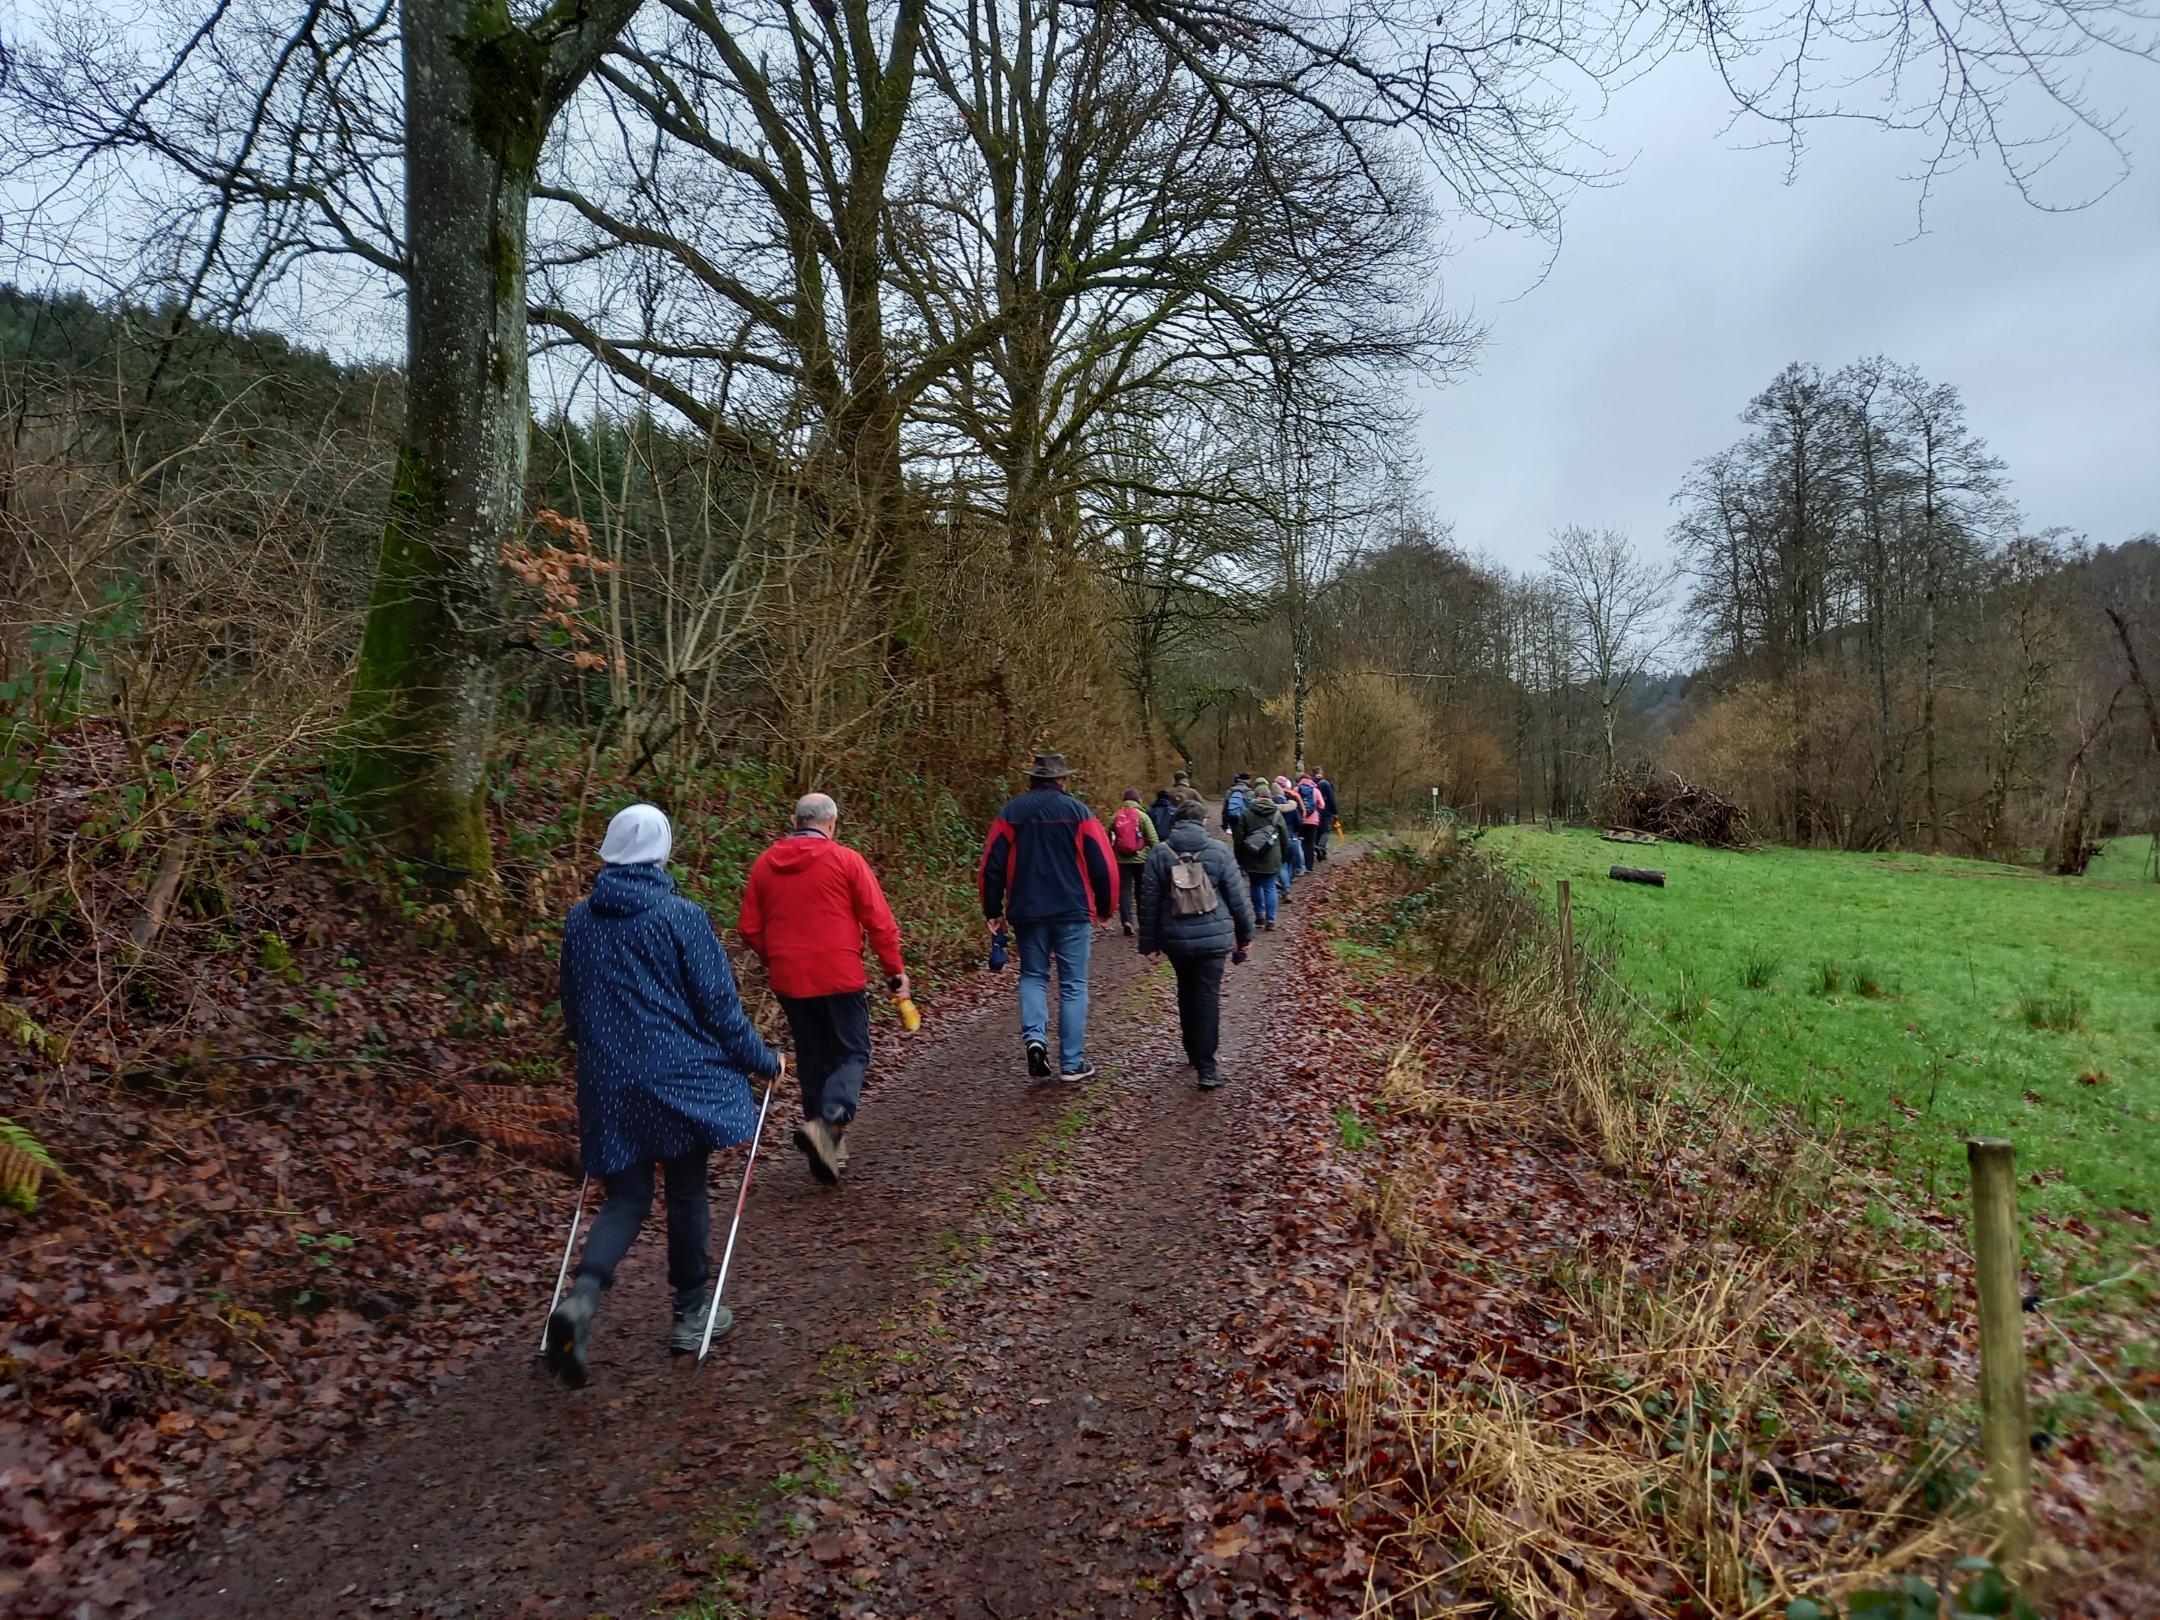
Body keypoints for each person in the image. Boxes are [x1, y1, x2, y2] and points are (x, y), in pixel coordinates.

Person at [548, 804, 785, 1386]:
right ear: (661, 851)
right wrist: (763, 1060)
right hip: (680, 1080)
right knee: (685, 1191)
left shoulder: (580, 921)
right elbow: (720, 1008)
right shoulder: (681, 916)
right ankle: (690, 1313)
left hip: (609, 1081)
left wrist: (601, 1053)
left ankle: (581, 1299)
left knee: (625, 1198)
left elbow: (574, 1011)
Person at [737, 792, 906, 1186]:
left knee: (813, 1058)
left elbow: (748, 928)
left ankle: (825, 1152)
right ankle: (828, 1123)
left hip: (790, 978)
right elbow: (880, 922)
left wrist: (775, 957)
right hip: (839, 973)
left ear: (795, 821)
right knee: (852, 1052)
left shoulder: (765, 865)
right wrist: (894, 972)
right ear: (831, 823)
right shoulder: (846, 860)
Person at [980, 751, 1118, 1081]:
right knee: (1073, 985)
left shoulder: (1011, 813)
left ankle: (1035, 1040)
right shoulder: (1078, 812)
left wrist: (993, 910)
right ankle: (1071, 1063)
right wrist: (1105, 908)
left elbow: (991, 866)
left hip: (1027, 911)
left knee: (1032, 976)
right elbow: (1104, 865)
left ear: (1032, 780)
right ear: (1062, 780)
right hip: (1072, 911)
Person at [1137, 790, 1255, 1089]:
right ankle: (1207, 1067)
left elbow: (1148, 902)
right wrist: (1245, 935)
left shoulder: (1160, 854)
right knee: (1207, 997)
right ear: (1203, 821)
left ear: (1176, 822)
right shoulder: (1219, 851)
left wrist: (1148, 944)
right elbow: (1237, 898)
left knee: (1186, 991)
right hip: (1213, 939)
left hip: (1176, 939)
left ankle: (1193, 1050)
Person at [1231, 780, 1290, 930]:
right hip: (1272, 857)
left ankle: (1260, 916)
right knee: (1270, 887)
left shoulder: (1246, 814)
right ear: (1269, 796)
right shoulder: (1277, 814)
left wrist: (1239, 858)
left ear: (1255, 796)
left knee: (1255, 885)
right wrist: (1283, 855)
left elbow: (1238, 839)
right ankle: (1271, 920)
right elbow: (1284, 838)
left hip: (1252, 856)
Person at [1108, 787, 1161, 936]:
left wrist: (1113, 853)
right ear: (1138, 800)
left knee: (1124, 890)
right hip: (1141, 859)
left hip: (1121, 860)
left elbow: (1105, 837)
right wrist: (1156, 856)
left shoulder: (1115, 816)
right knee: (1141, 891)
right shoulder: (1143, 816)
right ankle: (1142, 921)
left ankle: (1126, 920)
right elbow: (1153, 839)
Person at [1272, 776, 1305, 903]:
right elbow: (1300, 823)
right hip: (1292, 838)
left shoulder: (1271, 809)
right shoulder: (1292, 807)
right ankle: (1287, 885)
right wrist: (1298, 833)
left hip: (1279, 840)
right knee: (1290, 864)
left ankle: (1285, 889)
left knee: (1281, 865)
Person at [1294, 772, 1324, 868]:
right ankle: (1309, 866)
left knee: (1302, 842)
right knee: (1310, 843)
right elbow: (1322, 805)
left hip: (1300, 820)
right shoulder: (1315, 790)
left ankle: (1301, 865)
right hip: (1313, 821)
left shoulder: (1295, 790)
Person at [1313, 768, 1340, 861]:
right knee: (1325, 831)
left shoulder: (1311, 783)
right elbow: (1332, 798)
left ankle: (1318, 850)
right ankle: (1321, 848)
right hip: (1326, 811)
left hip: (1314, 812)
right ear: (1321, 773)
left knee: (1317, 831)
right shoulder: (1325, 784)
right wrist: (1335, 812)